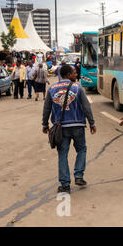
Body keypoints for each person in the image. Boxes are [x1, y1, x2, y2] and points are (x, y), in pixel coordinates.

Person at [42, 64, 96, 194]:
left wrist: (45, 124)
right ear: (68, 75)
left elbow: (47, 108)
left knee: (63, 154)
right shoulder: (78, 88)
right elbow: (86, 107)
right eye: (74, 72)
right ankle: (78, 176)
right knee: (82, 149)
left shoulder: (51, 88)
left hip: (61, 128)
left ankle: (65, 185)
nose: (76, 74)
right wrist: (92, 123)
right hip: (77, 126)